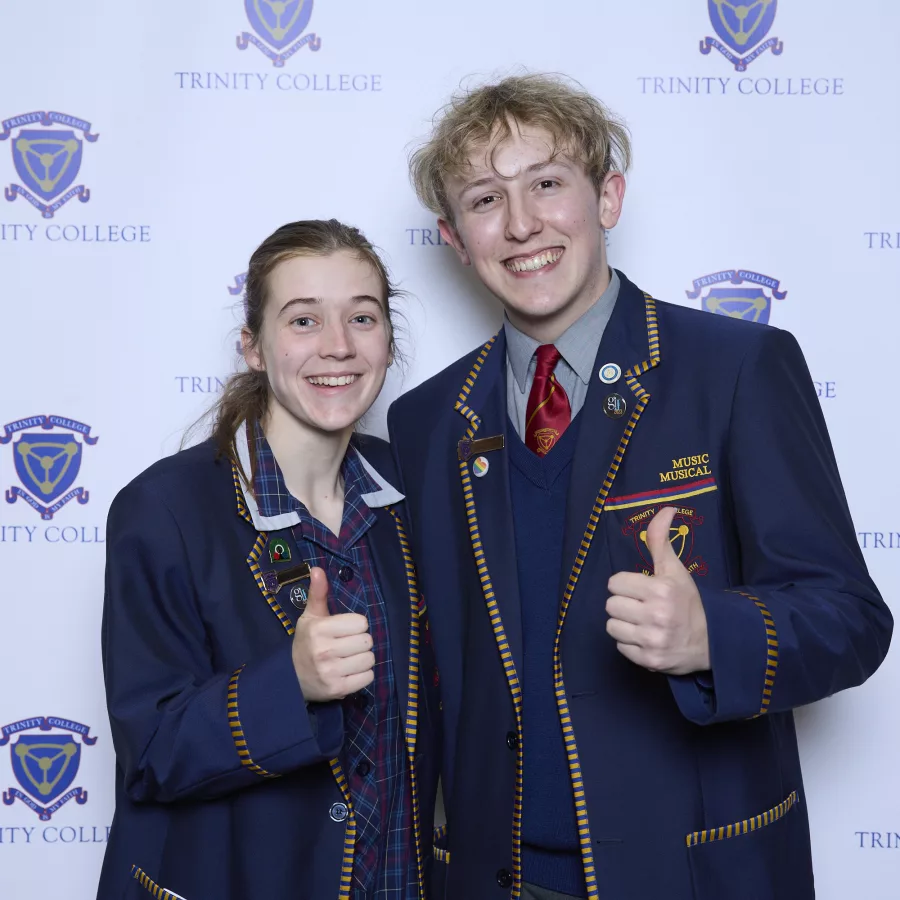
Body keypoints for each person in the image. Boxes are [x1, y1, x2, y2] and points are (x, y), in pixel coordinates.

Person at [387, 74, 892, 900]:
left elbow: (850, 619)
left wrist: (714, 637)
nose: (521, 225)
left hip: (694, 875)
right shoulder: (424, 421)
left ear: (608, 197)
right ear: (453, 238)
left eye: (547, 184)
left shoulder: (737, 370)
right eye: (485, 200)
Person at [98, 220, 440, 900]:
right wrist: (291, 683)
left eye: (362, 317)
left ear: (388, 340)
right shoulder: (163, 510)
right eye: (304, 320)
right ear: (252, 347)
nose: (338, 346)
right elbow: (151, 754)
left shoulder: (417, 496)